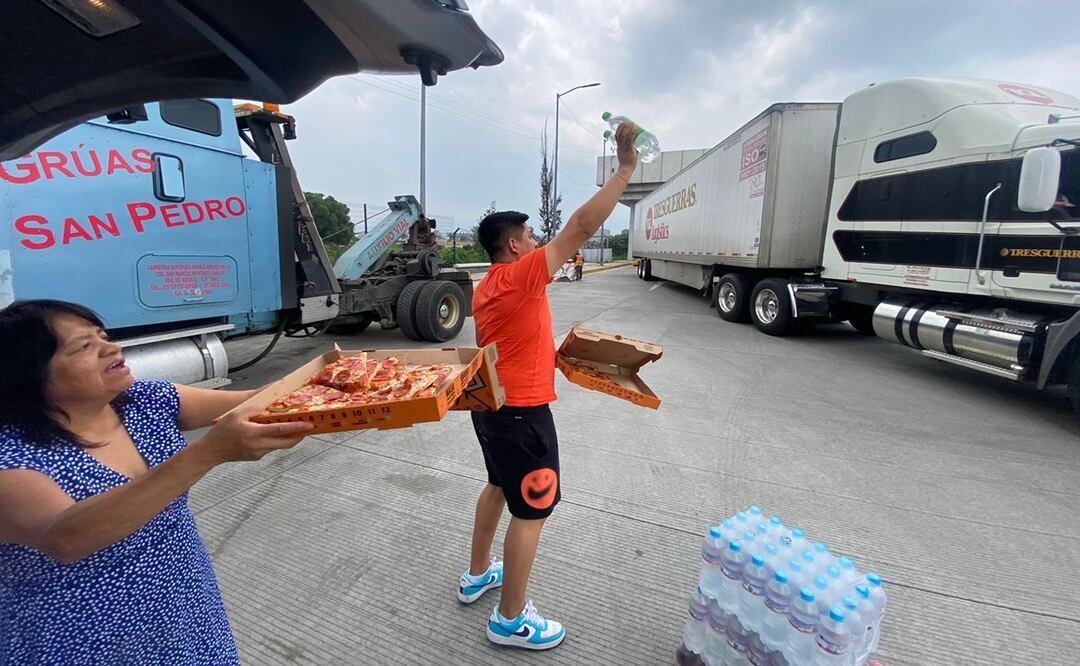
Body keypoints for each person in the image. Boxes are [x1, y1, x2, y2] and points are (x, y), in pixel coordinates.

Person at [0, 300, 314, 665]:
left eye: (104, 336)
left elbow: (256, 404)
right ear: (30, 373)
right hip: (82, 640)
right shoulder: (13, 455)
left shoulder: (146, 401)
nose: (112, 347)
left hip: (186, 612)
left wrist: (338, 382)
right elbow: (66, 536)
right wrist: (208, 452)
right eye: (85, 346)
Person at [456, 120, 638, 650]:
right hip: (522, 416)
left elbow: (513, 341)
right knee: (532, 510)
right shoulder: (521, 275)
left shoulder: (488, 285)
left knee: (497, 485)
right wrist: (625, 170)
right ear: (513, 246)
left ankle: (477, 575)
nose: (538, 242)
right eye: (531, 237)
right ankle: (510, 620)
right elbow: (581, 226)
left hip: (491, 408)